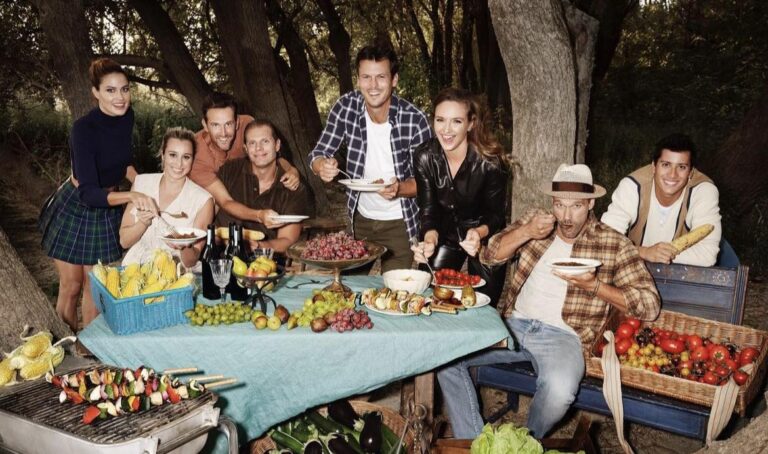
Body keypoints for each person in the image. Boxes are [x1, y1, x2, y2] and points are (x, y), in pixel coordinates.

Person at [437, 164, 660, 440]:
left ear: (591, 203)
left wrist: (595, 286)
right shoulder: (537, 223)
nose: (566, 217)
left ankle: (525, 443)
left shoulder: (613, 243)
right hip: (513, 325)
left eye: (576, 206)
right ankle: (476, 443)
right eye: (559, 205)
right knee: (444, 356)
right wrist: (525, 232)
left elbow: (649, 304)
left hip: (564, 337)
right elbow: (489, 255)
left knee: (560, 390)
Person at [38, 58, 159, 331]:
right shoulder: (83, 130)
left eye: (124, 89)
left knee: (94, 287)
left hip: (108, 204)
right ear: (96, 92)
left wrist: (146, 186)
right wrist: (132, 196)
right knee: (71, 286)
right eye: (110, 90)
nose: (120, 97)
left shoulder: (127, 117)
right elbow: (89, 193)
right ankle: (66, 345)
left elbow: (124, 164)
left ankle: (88, 347)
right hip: (77, 204)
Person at [308, 44, 432, 271]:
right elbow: (317, 154)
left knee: (394, 289)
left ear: (394, 80)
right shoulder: (346, 107)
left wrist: (398, 188)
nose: (373, 85)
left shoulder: (415, 120)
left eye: (381, 77)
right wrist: (322, 166)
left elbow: (425, 183)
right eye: (366, 77)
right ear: (358, 80)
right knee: (350, 287)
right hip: (360, 220)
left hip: (400, 223)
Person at [411, 87, 508, 303]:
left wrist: (478, 233)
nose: (446, 129)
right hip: (444, 234)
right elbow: (428, 209)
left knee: (482, 305)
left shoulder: (491, 163)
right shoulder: (423, 156)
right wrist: (429, 239)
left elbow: (496, 215)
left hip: (484, 235)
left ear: (471, 123)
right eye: (440, 120)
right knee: (429, 294)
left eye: (456, 121)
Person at [601, 133, 721, 266]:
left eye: (681, 167)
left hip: (680, 272)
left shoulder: (703, 191)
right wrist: (644, 252)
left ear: (691, 172)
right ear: (653, 166)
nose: (672, 175)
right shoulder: (633, 186)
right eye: (666, 165)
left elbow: (708, 255)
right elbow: (604, 243)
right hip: (632, 267)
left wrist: (660, 255)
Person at [210, 119, 314, 253]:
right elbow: (210, 213)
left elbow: (287, 239)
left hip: (264, 259)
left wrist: (258, 247)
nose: (258, 148)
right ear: (246, 149)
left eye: (265, 141)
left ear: (277, 145)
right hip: (219, 256)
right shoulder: (229, 171)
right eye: (252, 143)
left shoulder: (294, 187)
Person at [119, 127, 214, 268]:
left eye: (186, 157)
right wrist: (143, 223)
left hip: (177, 273)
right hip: (136, 267)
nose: (179, 164)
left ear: (193, 160)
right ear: (162, 155)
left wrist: (184, 245)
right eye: (173, 155)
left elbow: (191, 261)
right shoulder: (141, 183)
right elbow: (124, 241)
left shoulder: (203, 200)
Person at [189, 92, 301, 196]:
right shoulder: (194, 153)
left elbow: (273, 155)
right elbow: (223, 201)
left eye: (228, 124)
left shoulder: (246, 126)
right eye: (215, 125)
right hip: (212, 196)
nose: (223, 133)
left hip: (247, 186)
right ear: (205, 125)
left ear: (237, 122)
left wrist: (291, 170)